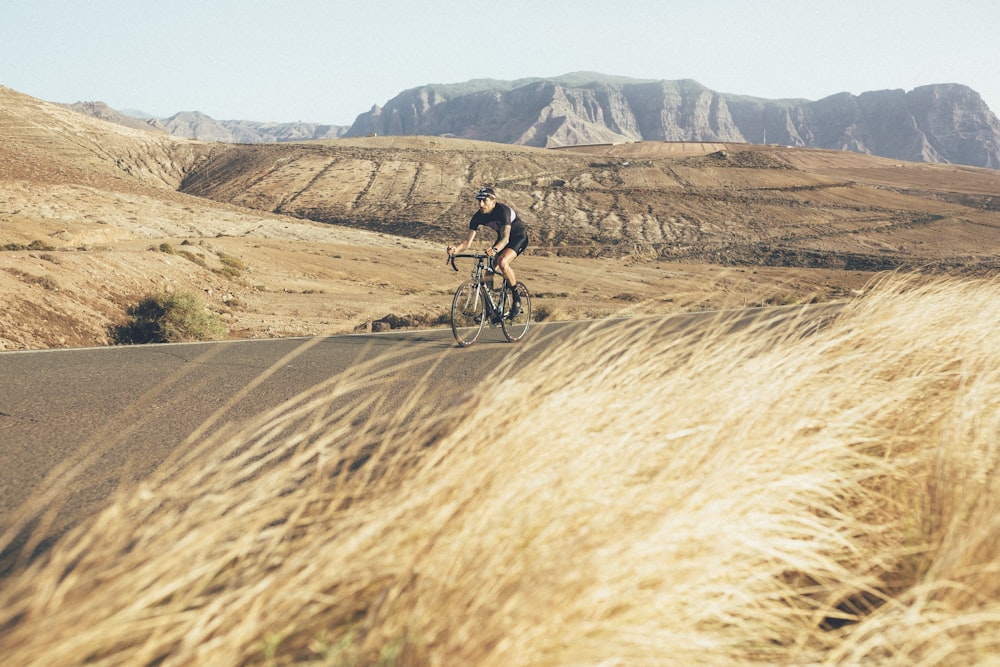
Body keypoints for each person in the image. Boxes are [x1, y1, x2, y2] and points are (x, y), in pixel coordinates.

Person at [446, 186, 529, 317]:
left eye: (484, 201)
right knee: (489, 271)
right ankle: (489, 309)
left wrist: (495, 249)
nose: (481, 204)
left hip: (518, 238)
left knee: (502, 261)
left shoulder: (503, 211)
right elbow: (467, 243)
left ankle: (517, 300)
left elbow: (506, 238)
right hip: (502, 239)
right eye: (479, 201)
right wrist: (456, 249)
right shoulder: (478, 217)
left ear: (493, 201)